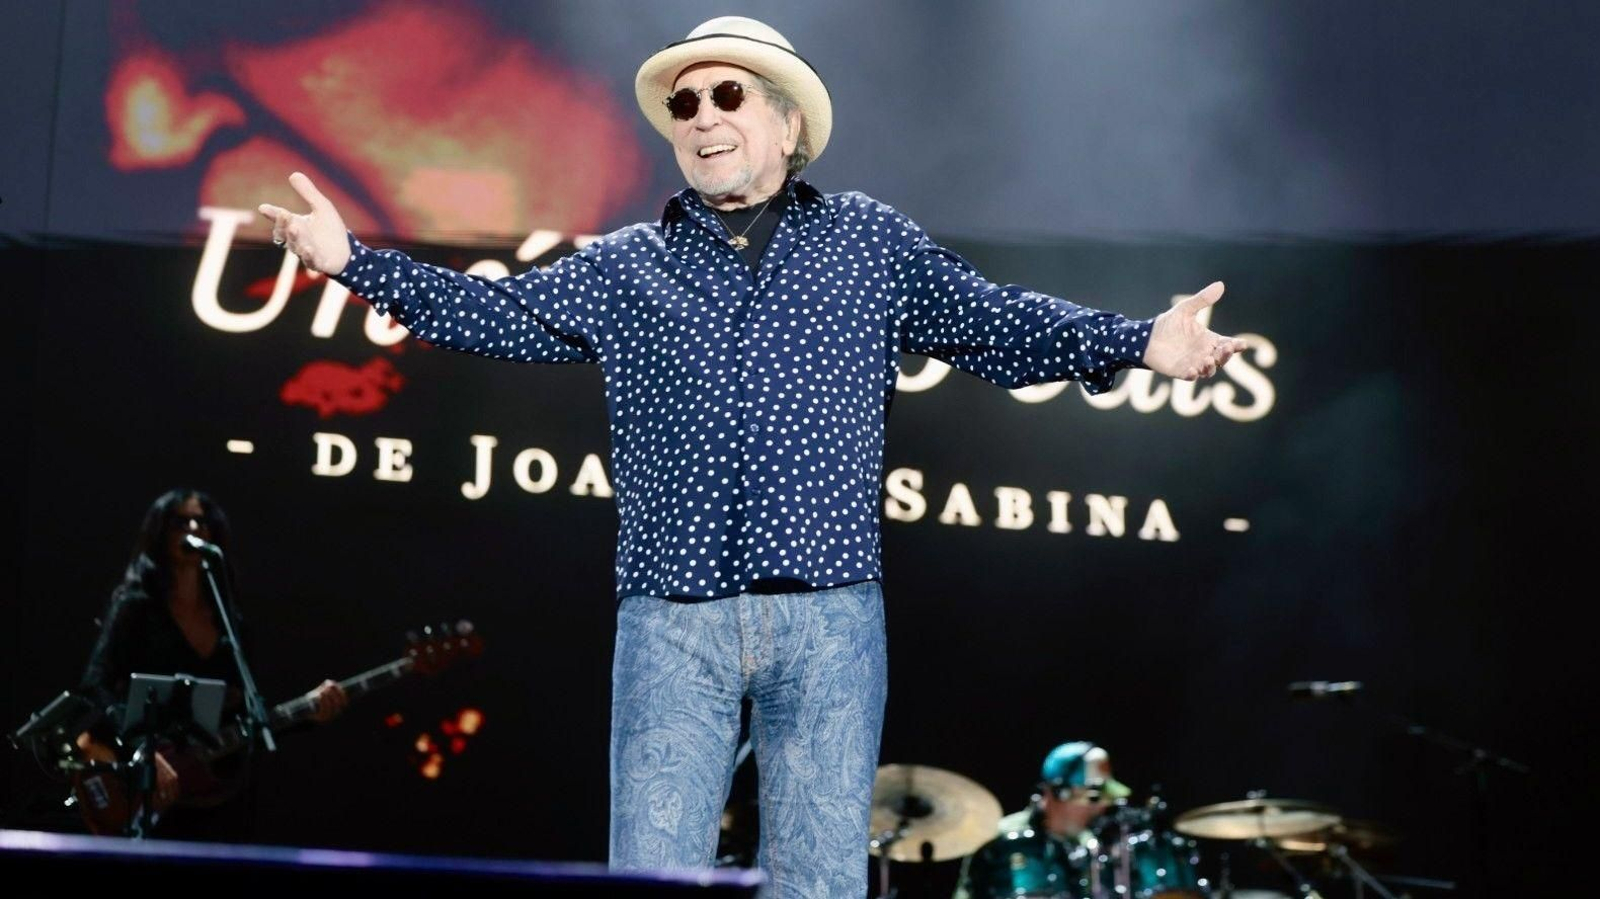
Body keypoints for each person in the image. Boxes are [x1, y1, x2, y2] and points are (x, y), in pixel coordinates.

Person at [257, 16, 1247, 895]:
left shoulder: (868, 242)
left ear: (786, 124)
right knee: (654, 874)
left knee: (817, 880)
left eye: (725, 94)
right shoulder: (623, 265)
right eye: (683, 103)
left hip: (827, 612)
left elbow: (997, 323)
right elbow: (497, 313)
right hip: (669, 618)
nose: (699, 116)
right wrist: (355, 262)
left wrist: (1140, 340)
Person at [74, 488, 348, 840]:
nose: (193, 529)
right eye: (180, 522)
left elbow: (247, 718)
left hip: (206, 795)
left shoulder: (229, 622)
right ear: (160, 532)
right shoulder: (137, 608)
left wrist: (309, 714)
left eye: (202, 522)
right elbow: (94, 687)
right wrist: (140, 750)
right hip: (140, 776)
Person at [953, 742, 1131, 899]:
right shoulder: (999, 838)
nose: (1100, 807)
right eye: (1092, 798)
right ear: (1058, 793)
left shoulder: (1090, 845)